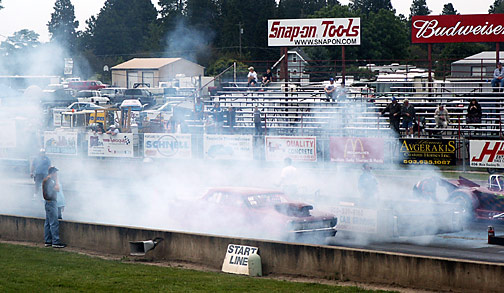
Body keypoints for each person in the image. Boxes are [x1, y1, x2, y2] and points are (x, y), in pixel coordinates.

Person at [43, 166, 66, 248]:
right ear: (52, 173)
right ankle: (55, 242)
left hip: (47, 202)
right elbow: (57, 189)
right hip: (51, 203)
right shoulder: (50, 181)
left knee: (48, 222)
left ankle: (48, 241)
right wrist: (56, 180)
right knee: (54, 223)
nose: (56, 174)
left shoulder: (46, 180)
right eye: (55, 173)